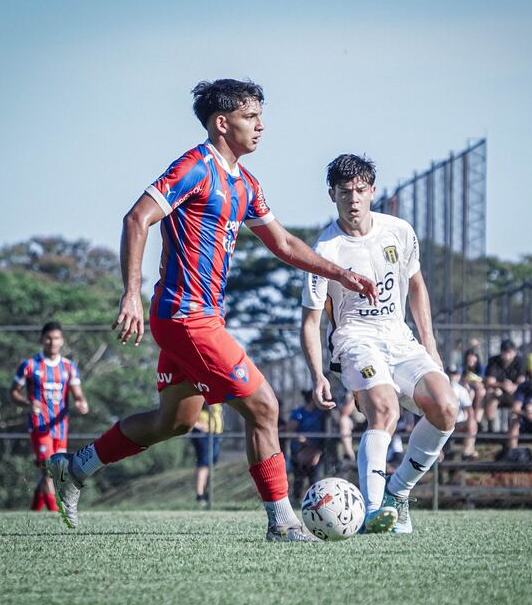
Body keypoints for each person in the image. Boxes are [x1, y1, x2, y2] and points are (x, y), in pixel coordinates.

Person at [46, 80, 376, 542]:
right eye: (250, 116)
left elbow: (282, 243)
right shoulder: (195, 167)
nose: (260, 125)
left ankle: (75, 467)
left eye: (261, 115)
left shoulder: (245, 183)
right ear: (222, 123)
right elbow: (136, 218)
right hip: (185, 315)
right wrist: (129, 294)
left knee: (174, 421)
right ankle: (282, 523)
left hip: (201, 318)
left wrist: (338, 272)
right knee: (264, 407)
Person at [301, 153, 457, 535]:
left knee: (446, 407)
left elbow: (416, 287)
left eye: (359, 190)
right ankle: (372, 511)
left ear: (372, 191)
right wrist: (318, 374)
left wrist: (429, 344)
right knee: (385, 409)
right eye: (344, 192)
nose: (352, 199)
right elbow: (310, 320)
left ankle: (396, 495)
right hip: (354, 339)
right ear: (331, 195)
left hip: (398, 337)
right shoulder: (325, 250)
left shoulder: (399, 231)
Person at [11, 321, 89, 513]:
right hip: (39, 426)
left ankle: (35, 510)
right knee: (50, 471)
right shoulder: (29, 365)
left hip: (60, 427)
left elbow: (77, 393)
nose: (52, 342)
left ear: (62, 341)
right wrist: (28, 404)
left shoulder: (69, 367)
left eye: (56, 338)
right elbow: (13, 393)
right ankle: (56, 513)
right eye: (48, 338)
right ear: (41, 339)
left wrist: (81, 402)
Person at [287, 390, 327, 503]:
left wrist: (317, 452)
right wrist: (299, 438)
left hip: (316, 452)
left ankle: (315, 502)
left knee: (314, 479)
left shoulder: (321, 414)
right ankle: (296, 500)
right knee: (298, 478)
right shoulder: (298, 413)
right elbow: (289, 431)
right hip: (299, 452)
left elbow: (324, 435)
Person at [484, 339, 526, 432]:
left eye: (510, 352)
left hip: (515, 392)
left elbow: (521, 381)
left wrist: (513, 387)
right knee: (491, 394)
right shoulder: (494, 361)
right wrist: (503, 385)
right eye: (505, 352)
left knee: (518, 399)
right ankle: (491, 429)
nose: (507, 356)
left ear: (515, 352)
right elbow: (490, 381)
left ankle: (513, 430)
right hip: (498, 391)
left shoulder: (520, 361)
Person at [190, 402, 223, 507]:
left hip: (215, 434)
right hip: (202, 433)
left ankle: (207, 493)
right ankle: (200, 496)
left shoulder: (217, 397)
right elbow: (188, 415)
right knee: (204, 463)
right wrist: (198, 425)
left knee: (211, 464)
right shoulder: (200, 397)